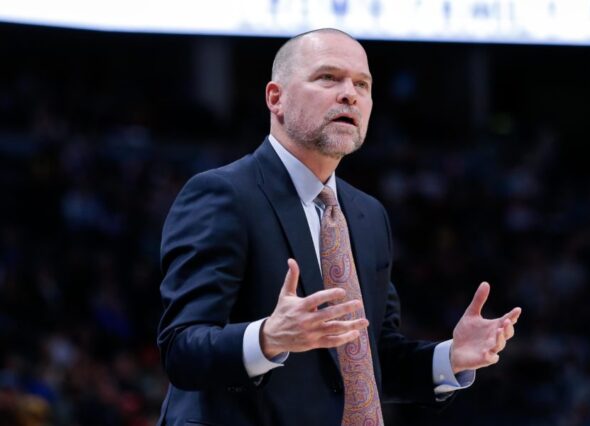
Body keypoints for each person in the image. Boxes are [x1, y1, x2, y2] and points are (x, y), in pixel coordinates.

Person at [156, 28, 521, 426]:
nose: (349, 93)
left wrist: (450, 357)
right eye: (328, 77)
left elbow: (368, 359)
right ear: (275, 98)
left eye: (362, 84)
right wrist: (267, 338)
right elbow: (181, 349)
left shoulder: (368, 215)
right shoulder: (223, 194)